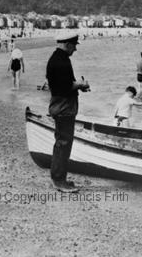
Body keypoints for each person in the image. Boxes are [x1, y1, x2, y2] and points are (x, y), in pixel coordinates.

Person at [46, 32, 90, 193]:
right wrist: (80, 85)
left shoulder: (56, 58)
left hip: (60, 105)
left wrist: (77, 85)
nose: (75, 50)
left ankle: (59, 178)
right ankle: (58, 180)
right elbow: (65, 87)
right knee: (63, 143)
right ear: (68, 44)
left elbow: (58, 84)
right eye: (74, 46)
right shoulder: (62, 61)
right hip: (64, 107)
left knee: (62, 142)